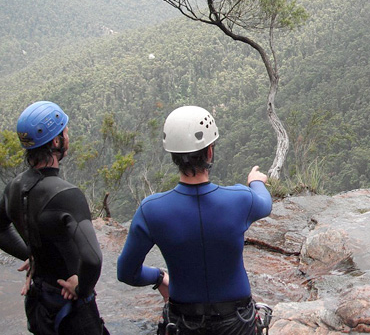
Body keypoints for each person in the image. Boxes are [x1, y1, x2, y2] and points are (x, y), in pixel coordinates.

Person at [117, 105, 273, 335]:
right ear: (210, 152)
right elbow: (265, 204)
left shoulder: (151, 210)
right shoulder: (240, 199)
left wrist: (159, 277)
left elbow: (126, 272)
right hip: (237, 322)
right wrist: (255, 181)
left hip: (182, 323)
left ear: (173, 156)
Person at [0, 101, 109, 335]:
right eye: (65, 132)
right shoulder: (66, 195)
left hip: (39, 303)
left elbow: (0, 230)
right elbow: (92, 258)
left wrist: (33, 256)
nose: (68, 137)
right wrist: (82, 287)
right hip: (71, 310)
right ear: (56, 142)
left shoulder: (13, 188)